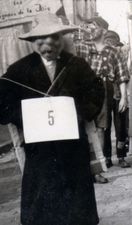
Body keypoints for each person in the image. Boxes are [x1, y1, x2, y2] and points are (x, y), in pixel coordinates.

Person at [0, 13, 103, 225]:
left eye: (54, 38)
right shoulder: (19, 70)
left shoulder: (77, 65)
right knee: (42, 200)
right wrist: (26, 116)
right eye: (41, 39)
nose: (48, 44)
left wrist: (78, 113)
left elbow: (95, 92)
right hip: (40, 149)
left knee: (76, 203)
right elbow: (2, 103)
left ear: (62, 39)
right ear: (32, 42)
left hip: (72, 145)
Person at [74, 16, 131, 179]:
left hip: (107, 88)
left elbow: (122, 74)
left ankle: (98, 168)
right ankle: (87, 168)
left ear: (104, 30)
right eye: (87, 27)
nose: (89, 29)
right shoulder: (81, 47)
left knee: (101, 128)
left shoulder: (113, 51)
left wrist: (124, 98)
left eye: (93, 27)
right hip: (87, 89)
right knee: (85, 128)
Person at [102, 30, 130, 168]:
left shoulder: (118, 55)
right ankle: (106, 157)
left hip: (116, 90)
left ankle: (121, 156)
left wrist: (124, 97)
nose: (111, 44)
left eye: (113, 42)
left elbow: (123, 77)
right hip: (101, 92)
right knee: (105, 126)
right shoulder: (97, 53)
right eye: (108, 41)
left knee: (121, 126)